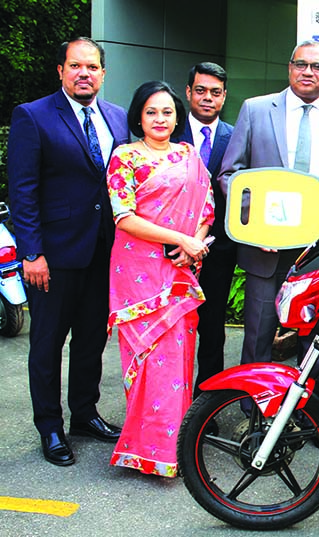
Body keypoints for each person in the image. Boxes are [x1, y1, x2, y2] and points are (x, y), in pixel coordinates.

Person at [7, 37, 128, 466]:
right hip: (53, 257)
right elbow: (22, 191)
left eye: (92, 67)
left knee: (92, 340)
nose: (84, 74)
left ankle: (84, 415)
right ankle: (50, 427)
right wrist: (31, 252)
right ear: (60, 70)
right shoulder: (33, 116)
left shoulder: (116, 117)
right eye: (76, 66)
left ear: (103, 73)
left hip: (103, 253)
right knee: (46, 345)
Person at [218, 40, 319, 367]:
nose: (308, 72)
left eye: (317, 67)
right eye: (301, 64)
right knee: (258, 336)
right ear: (289, 68)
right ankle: (254, 409)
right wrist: (256, 226)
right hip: (265, 249)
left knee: (315, 341)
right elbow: (230, 175)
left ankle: (310, 414)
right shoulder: (256, 110)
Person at [105, 81, 214, 477]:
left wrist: (194, 244)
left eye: (167, 112)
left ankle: (175, 449)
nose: (160, 119)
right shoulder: (125, 157)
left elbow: (206, 206)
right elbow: (125, 217)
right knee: (146, 359)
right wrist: (180, 238)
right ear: (138, 116)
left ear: (177, 117)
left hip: (179, 272)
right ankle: (143, 449)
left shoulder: (188, 155)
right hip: (137, 274)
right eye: (152, 112)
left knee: (178, 361)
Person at [171, 62, 235, 397]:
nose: (207, 98)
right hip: (171, 251)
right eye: (200, 90)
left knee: (212, 328)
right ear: (188, 92)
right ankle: (170, 398)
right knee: (172, 326)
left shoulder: (236, 135)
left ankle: (206, 401)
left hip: (219, 250)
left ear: (224, 96)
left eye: (215, 92)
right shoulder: (167, 129)